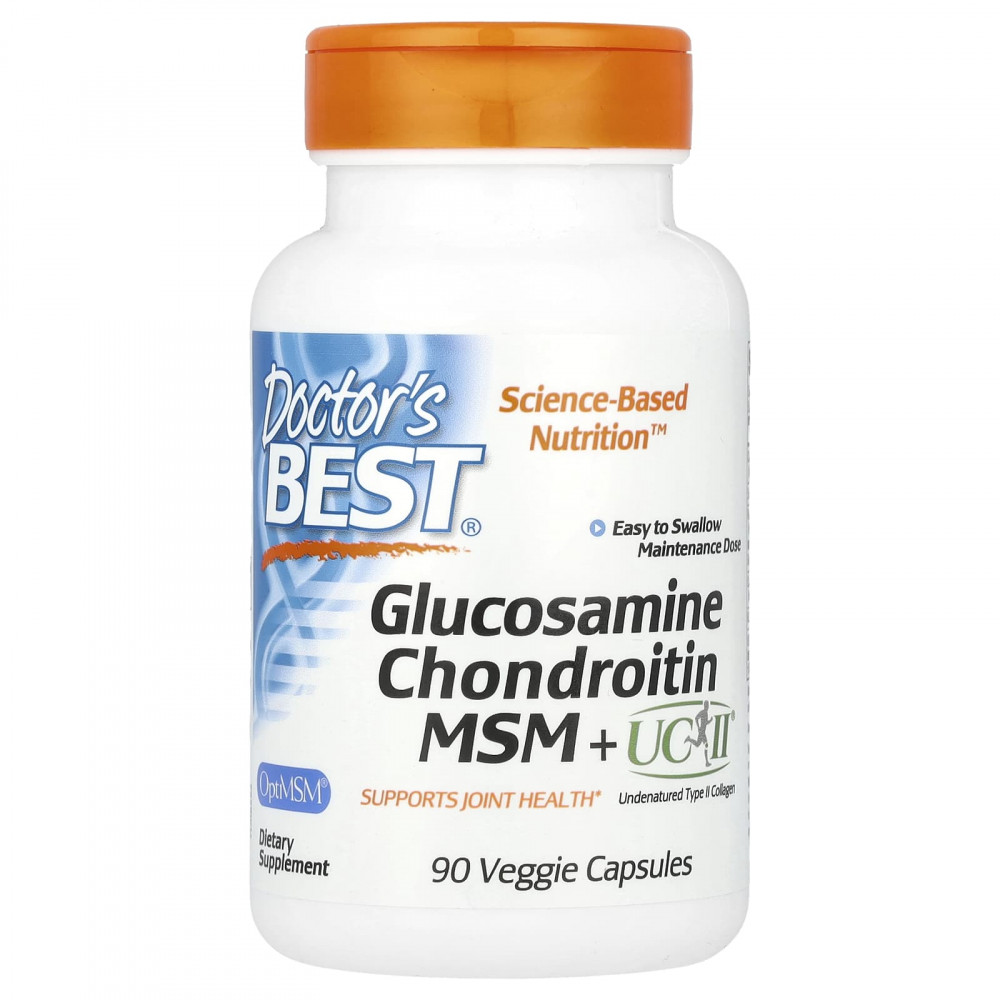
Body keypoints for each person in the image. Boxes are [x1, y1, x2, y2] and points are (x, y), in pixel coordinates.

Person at [684, 700, 712, 768]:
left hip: (703, 732)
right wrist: (698, 727)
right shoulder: (703, 712)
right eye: (706, 705)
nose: (707, 706)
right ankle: (706, 762)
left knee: (697, 744)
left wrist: (709, 721)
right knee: (706, 745)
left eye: (707, 705)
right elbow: (696, 718)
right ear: (704, 705)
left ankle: (689, 739)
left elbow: (705, 723)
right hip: (702, 732)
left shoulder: (706, 712)